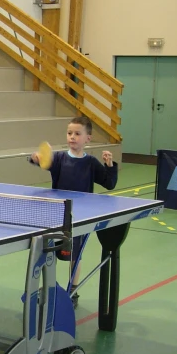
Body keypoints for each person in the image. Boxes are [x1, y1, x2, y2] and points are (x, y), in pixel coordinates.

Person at [28, 116, 118, 308]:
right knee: (47, 251)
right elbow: (43, 161)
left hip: (80, 217)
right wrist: (35, 158)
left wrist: (110, 166)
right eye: (70, 133)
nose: (72, 137)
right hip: (56, 214)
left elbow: (109, 184)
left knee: (75, 256)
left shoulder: (91, 163)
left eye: (77, 134)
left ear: (88, 138)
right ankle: (47, 288)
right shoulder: (59, 158)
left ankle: (73, 291)